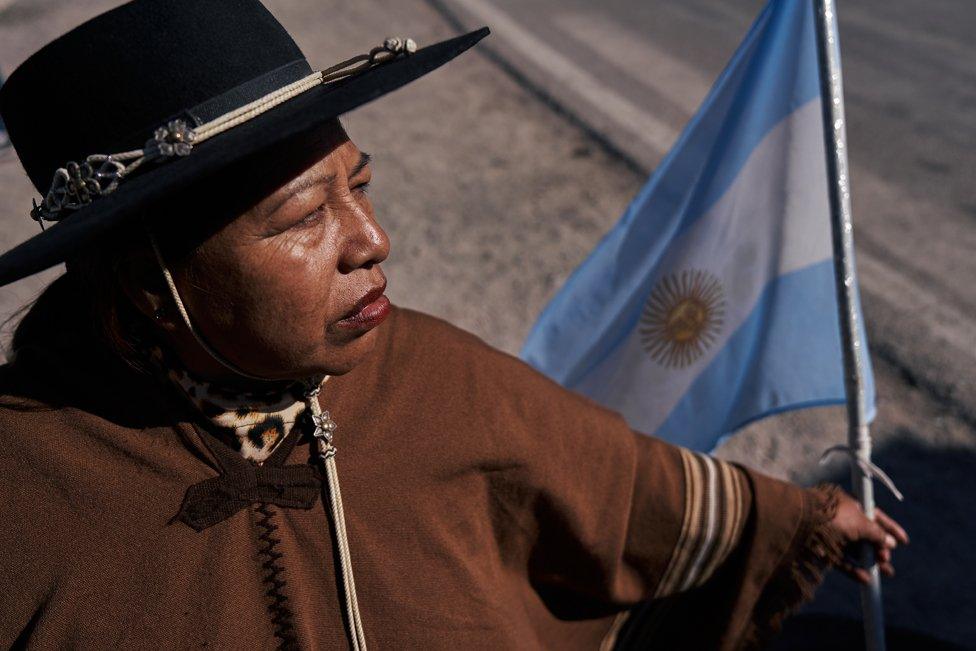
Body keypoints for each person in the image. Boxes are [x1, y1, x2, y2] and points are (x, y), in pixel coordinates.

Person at [0, 1, 907, 649]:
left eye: (360, 186)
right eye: (304, 216)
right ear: (152, 290)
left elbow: (622, 487)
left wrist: (807, 517)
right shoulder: (28, 496)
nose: (372, 239)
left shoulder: (429, 375)